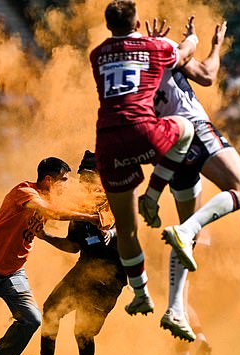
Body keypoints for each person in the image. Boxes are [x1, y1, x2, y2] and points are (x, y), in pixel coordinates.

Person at [90, 0, 197, 324]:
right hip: (144, 133)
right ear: (137, 21)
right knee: (187, 129)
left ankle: (140, 294)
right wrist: (192, 37)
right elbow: (183, 53)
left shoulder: (96, 55)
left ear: (109, 25)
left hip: (109, 142)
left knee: (126, 228)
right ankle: (153, 192)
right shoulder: (154, 46)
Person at [150, 21, 240, 342]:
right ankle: (187, 230)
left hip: (166, 145)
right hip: (192, 129)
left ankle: (176, 309)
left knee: (187, 243)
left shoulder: (128, 70)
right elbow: (207, 75)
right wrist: (204, 41)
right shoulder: (162, 53)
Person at [0, 157, 101, 355]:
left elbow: (65, 221)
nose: (66, 184)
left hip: (14, 273)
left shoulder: (49, 199)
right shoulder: (25, 192)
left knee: (32, 320)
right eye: (63, 179)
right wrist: (90, 218)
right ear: (48, 179)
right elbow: (54, 213)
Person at [16, 151, 126, 355]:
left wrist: (111, 233)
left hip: (110, 275)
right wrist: (45, 237)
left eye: (91, 176)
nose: (85, 181)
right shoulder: (79, 209)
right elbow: (73, 246)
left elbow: (124, 229)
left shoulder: (116, 200)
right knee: (51, 309)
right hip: (84, 269)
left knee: (83, 328)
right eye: (83, 176)